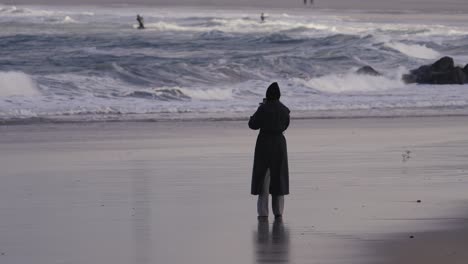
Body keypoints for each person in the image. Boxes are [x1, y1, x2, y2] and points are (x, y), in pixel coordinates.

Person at [249, 82, 290, 220]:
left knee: (264, 179)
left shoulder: (263, 108)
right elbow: (285, 125)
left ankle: (263, 212)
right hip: (279, 144)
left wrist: (260, 108)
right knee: (279, 178)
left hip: (264, 143)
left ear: (267, 94)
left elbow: (252, 125)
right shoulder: (285, 110)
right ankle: (278, 211)